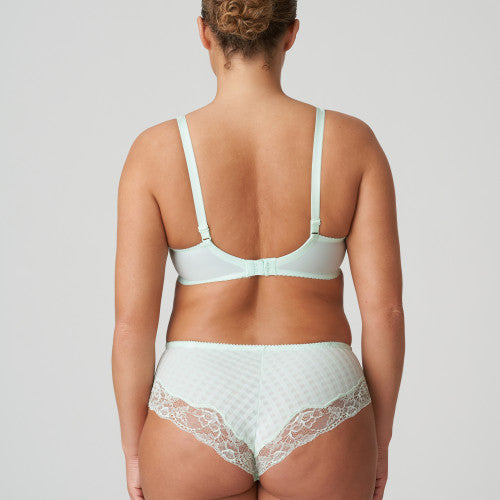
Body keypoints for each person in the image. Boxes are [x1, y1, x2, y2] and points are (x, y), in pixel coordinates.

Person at [112, 1, 405, 499]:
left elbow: (131, 328)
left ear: (204, 33)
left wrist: (134, 452)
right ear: (291, 33)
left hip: (195, 391)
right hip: (320, 391)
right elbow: (387, 314)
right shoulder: (352, 143)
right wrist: (380, 440)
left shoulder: (155, 151)